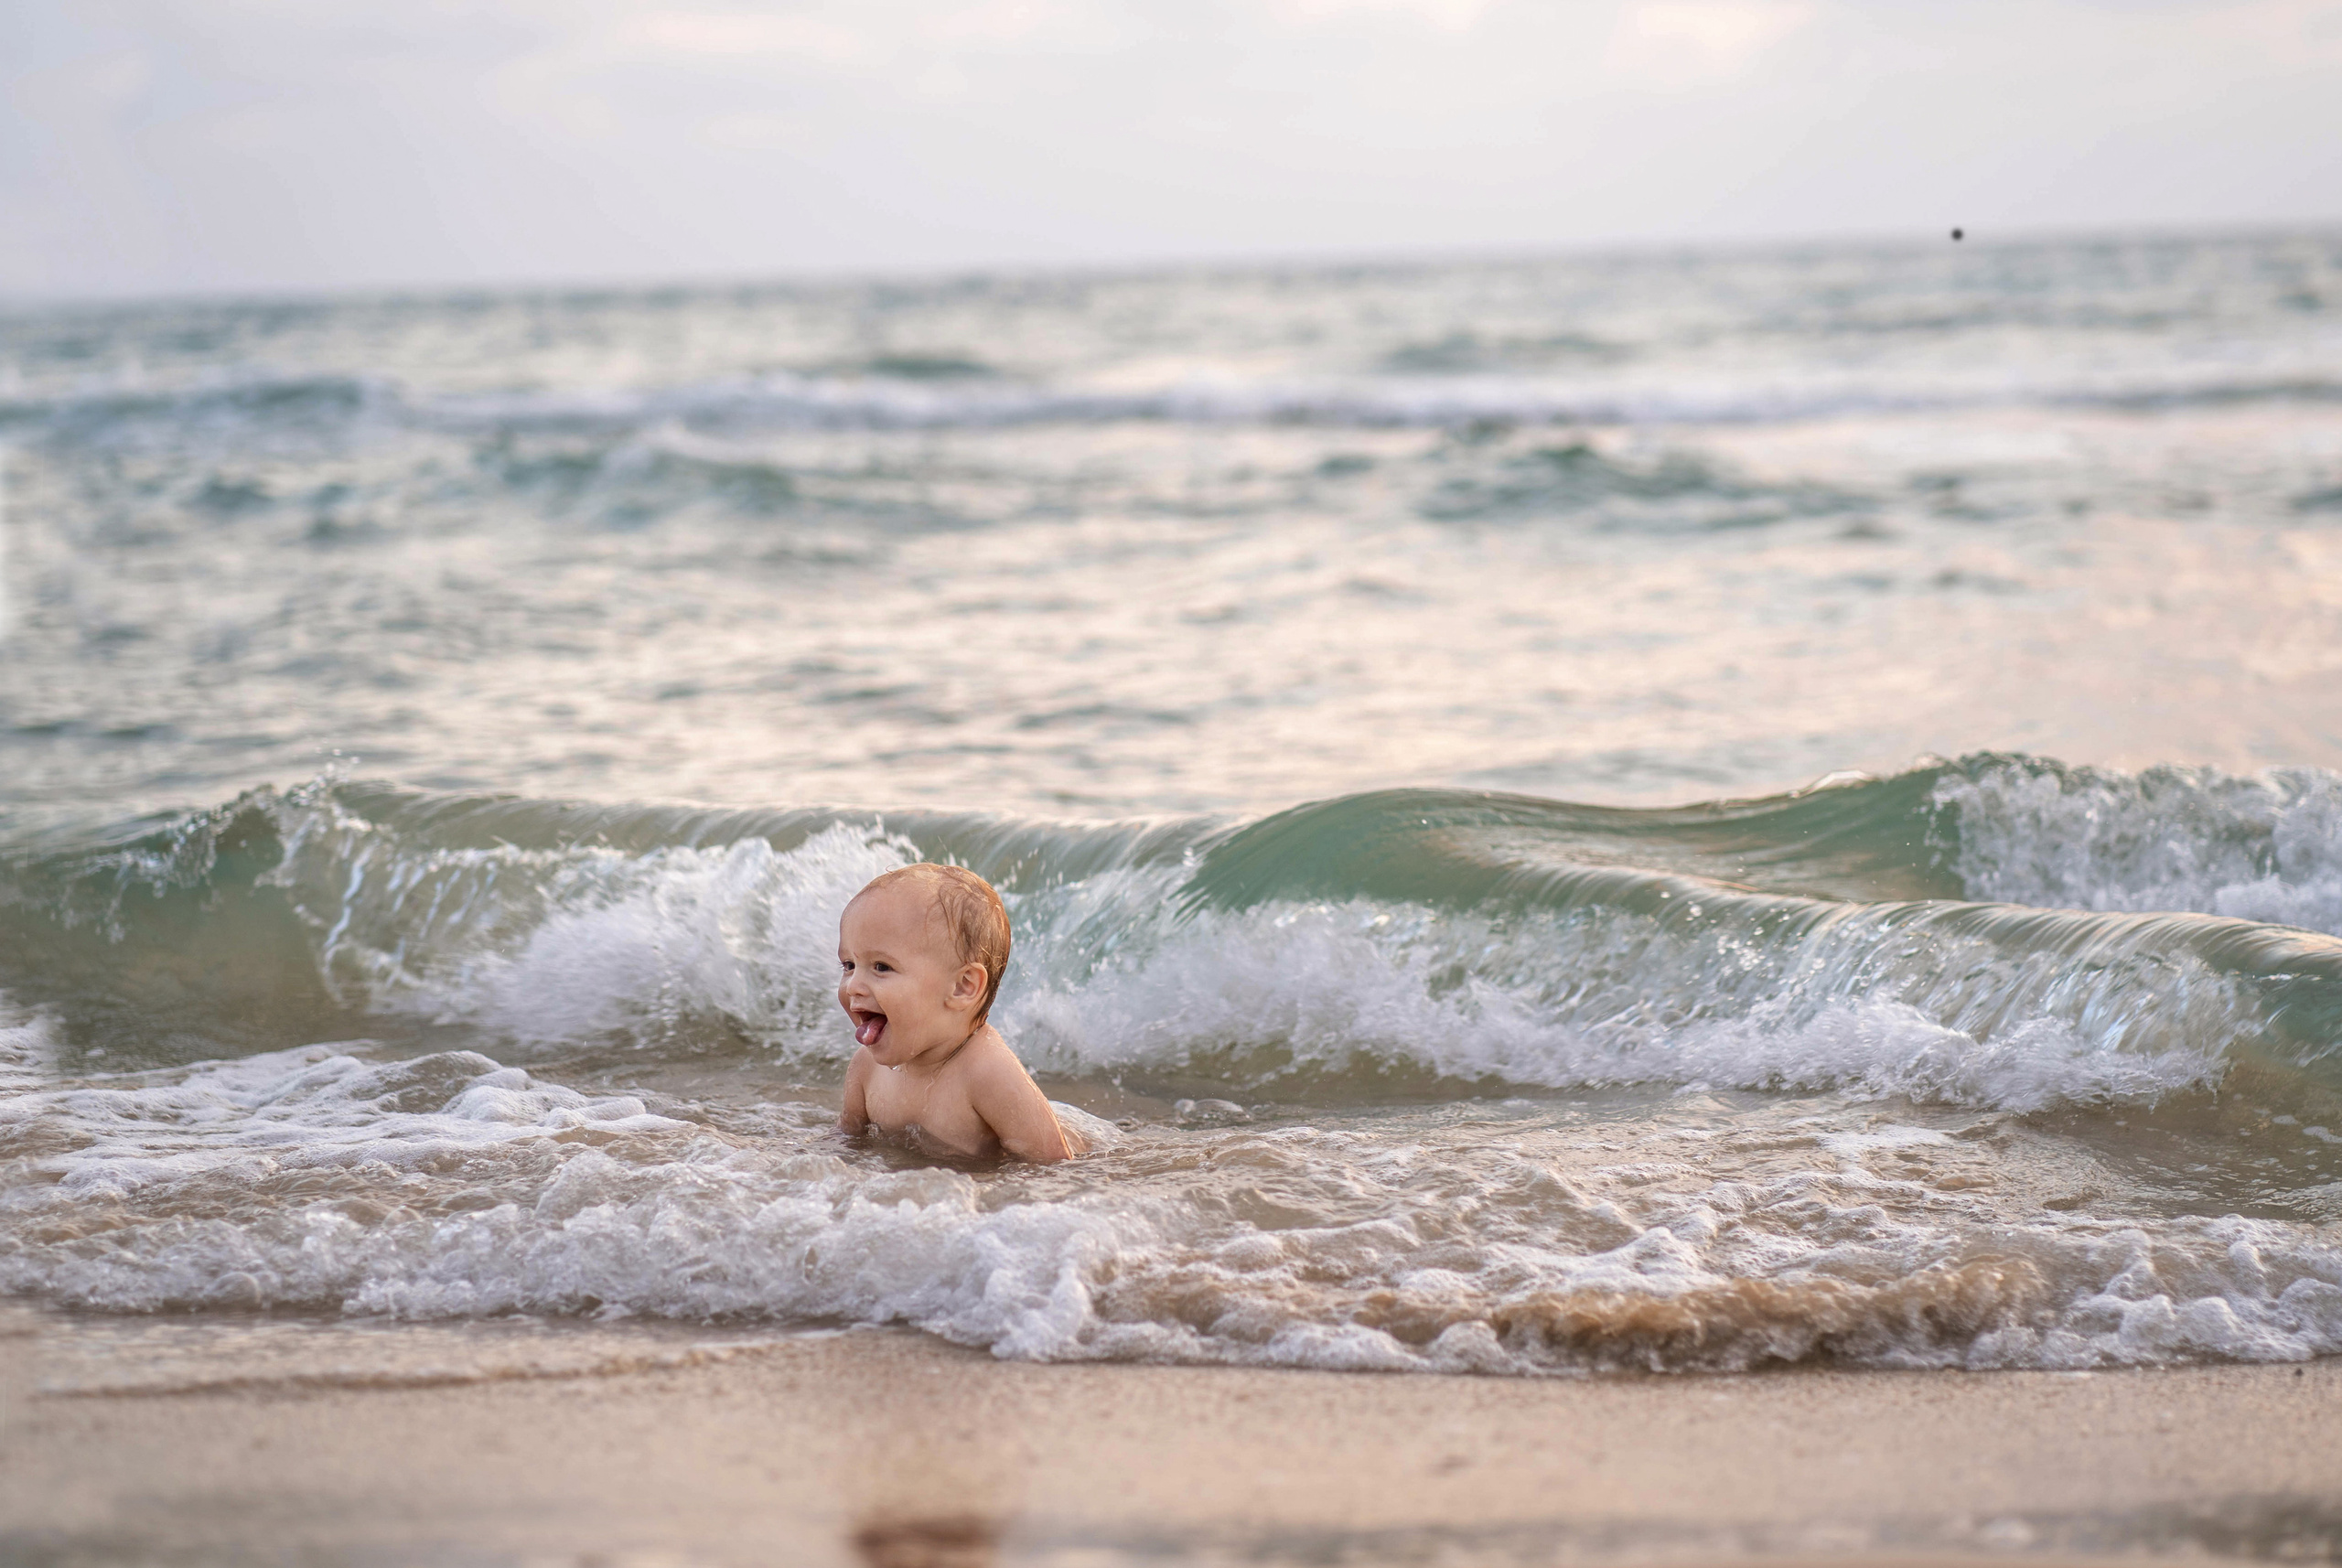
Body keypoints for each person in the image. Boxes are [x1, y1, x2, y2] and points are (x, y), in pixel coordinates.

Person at [836, 863, 1086, 1162]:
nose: (853, 986)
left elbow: (1054, 1167)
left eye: (881, 967)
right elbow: (846, 1143)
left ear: (963, 987)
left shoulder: (987, 1073)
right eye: (849, 965)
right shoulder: (866, 1069)